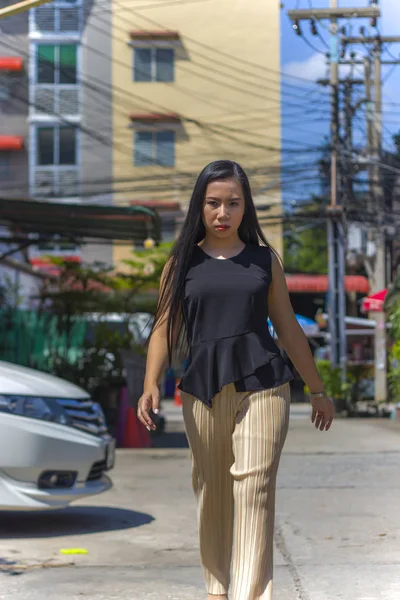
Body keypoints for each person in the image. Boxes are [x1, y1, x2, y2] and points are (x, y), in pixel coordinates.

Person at [137, 160, 335, 600]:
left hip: (265, 383)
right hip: (202, 389)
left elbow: (287, 329)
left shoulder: (265, 260)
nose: (223, 212)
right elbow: (164, 327)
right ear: (200, 207)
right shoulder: (181, 263)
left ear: (245, 208)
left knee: (255, 485)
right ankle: (218, 586)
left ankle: (249, 592)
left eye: (233, 203)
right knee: (213, 490)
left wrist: (317, 389)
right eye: (213, 203)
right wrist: (151, 383)